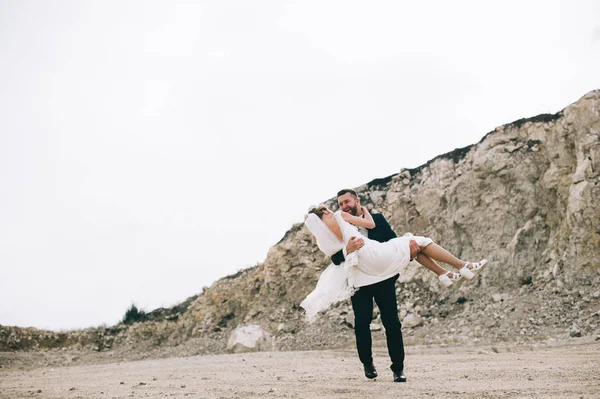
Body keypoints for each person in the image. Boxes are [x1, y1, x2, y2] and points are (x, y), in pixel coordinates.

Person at [300, 189, 487, 383]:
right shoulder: (337, 225)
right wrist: (348, 249)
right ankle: (367, 363)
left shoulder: (377, 219)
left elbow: (392, 242)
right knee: (362, 324)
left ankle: (398, 369)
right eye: (340, 204)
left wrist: (411, 252)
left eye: (347, 201)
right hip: (359, 283)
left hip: (383, 278)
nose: (344, 206)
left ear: (357, 200)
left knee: (392, 324)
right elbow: (335, 258)